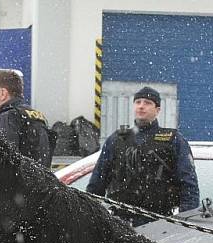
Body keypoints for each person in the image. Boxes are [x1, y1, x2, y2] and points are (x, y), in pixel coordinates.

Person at [86, 86, 200, 227]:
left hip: (159, 223)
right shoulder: (116, 140)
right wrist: (90, 219)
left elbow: (189, 185)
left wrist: (185, 223)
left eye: (147, 102)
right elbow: (96, 185)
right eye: (138, 102)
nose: (141, 106)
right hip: (120, 222)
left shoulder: (172, 140)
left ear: (157, 110)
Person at [0, 69, 55, 166]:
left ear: (3, 93)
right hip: (39, 179)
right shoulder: (37, 117)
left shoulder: (6, 118)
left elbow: (1, 166)